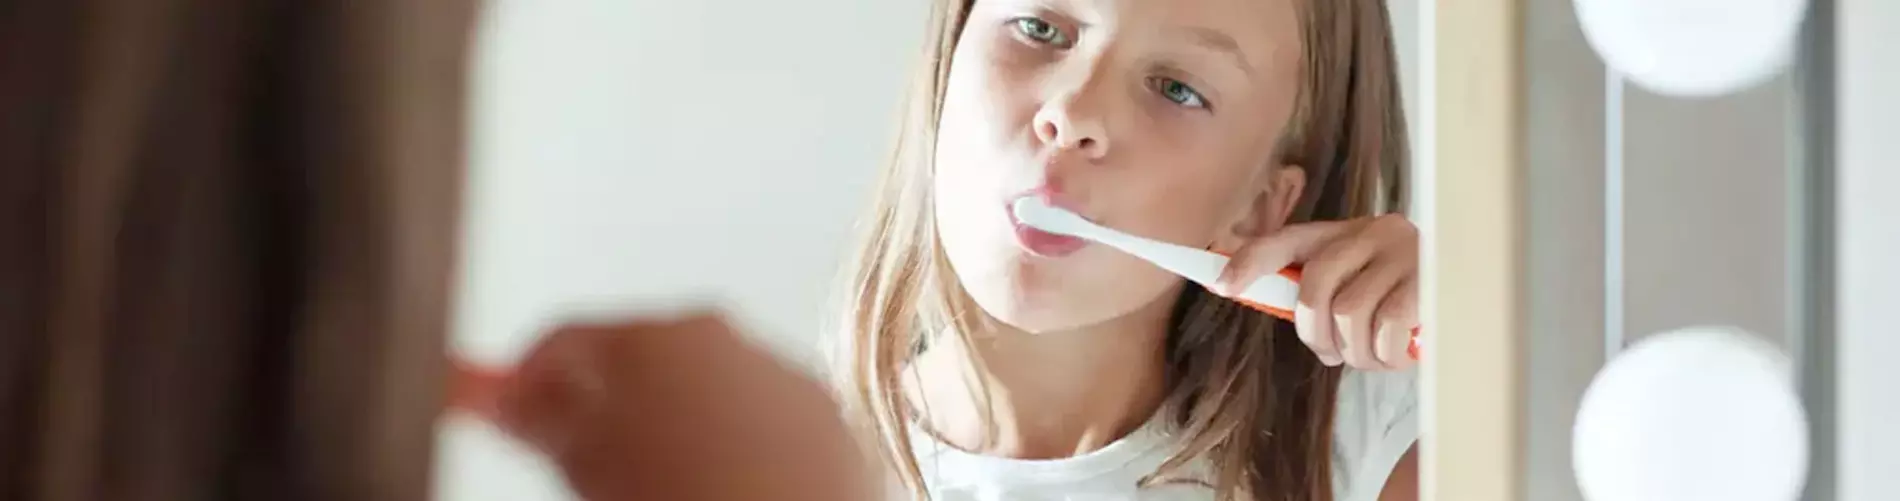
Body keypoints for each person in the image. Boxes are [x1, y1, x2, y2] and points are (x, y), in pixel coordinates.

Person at [829, 0, 1418, 500]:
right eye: (1039, 28)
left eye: (1176, 90)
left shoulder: (1366, 436)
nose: (1073, 114)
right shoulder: (781, 461)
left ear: (1261, 204)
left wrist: (1485, 326)